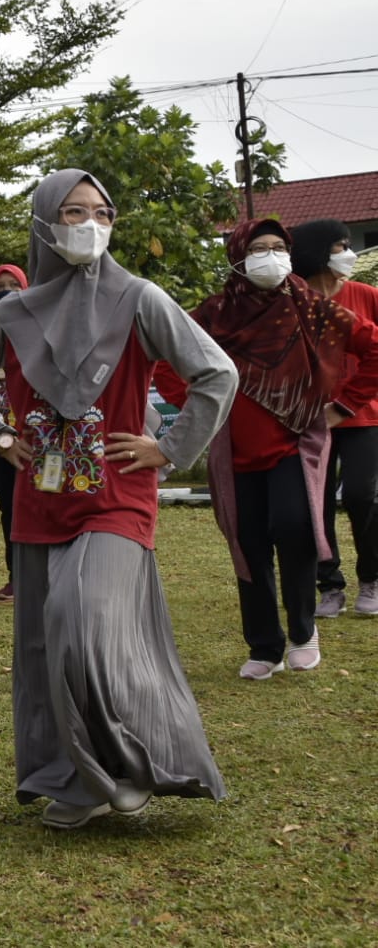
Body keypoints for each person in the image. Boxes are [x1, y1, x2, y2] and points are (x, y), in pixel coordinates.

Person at [0, 168, 237, 830]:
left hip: (116, 496)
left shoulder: (138, 297)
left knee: (82, 621)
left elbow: (216, 371)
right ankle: (75, 782)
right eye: (72, 213)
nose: (89, 225)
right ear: (44, 223)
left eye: (101, 212)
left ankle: (129, 766)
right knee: (45, 647)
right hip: (40, 499)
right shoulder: (11, 312)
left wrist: (169, 447)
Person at [158, 219, 378, 678]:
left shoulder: (312, 308)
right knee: (248, 542)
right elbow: (165, 364)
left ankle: (302, 631)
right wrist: (206, 412)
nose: (271, 256)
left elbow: (374, 346)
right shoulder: (213, 315)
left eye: (280, 247)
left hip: (294, 445)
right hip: (233, 449)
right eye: (260, 248)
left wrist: (343, 406)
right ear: (238, 255)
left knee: (295, 530)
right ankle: (264, 646)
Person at [293, 219, 378, 619]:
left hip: (364, 417)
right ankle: (330, 586)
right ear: (317, 253)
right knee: (316, 504)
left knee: (362, 495)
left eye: (348, 245)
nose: (348, 254)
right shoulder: (293, 303)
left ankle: (372, 579)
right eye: (340, 247)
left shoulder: (366, 296)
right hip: (310, 420)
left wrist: (346, 404)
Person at [0, 265, 28, 601]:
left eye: (14, 285)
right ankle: (17, 577)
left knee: (40, 505)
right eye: (0, 286)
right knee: (10, 509)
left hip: (38, 440)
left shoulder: (38, 330)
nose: (7, 290)